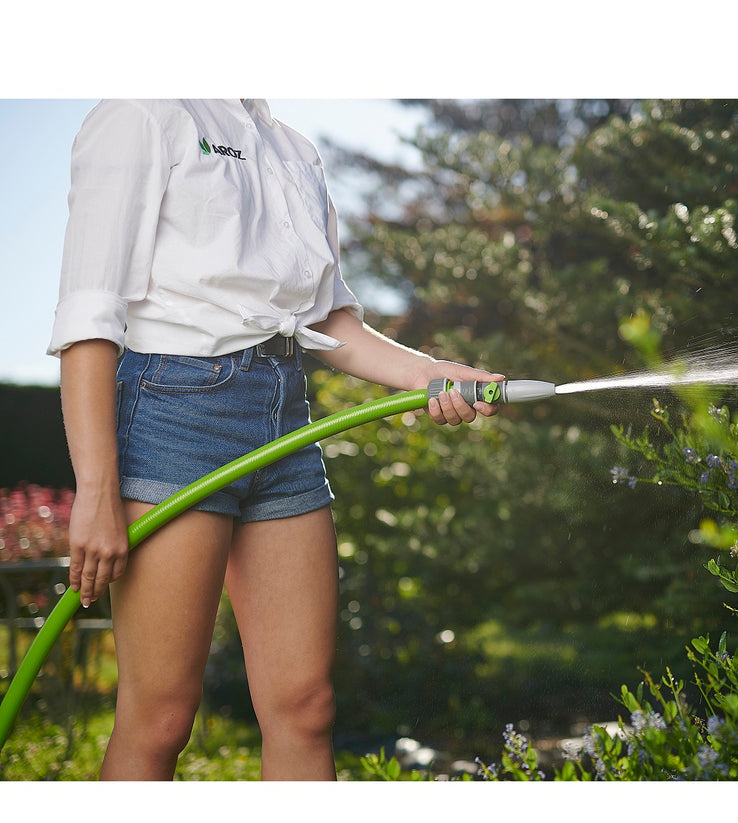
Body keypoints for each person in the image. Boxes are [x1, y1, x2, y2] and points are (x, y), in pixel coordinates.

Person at [48, 99, 503, 781]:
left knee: (306, 705)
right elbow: (88, 315)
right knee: (162, 717)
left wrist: (431, 373)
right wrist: (96, 492)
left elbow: (331, 322)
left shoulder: (291, 147)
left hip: (285, 418)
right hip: (174, 412)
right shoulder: (141, 110)